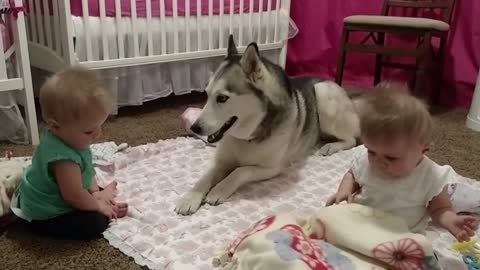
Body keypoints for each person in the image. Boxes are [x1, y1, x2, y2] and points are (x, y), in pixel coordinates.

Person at [326, 82, 478, 242]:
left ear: (423, 150)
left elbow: (440, 208)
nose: (378, 161)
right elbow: (352, 174)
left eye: (391, 157)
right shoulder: (366, 159)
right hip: (365, 223)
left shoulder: (429, 177)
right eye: (371, 151)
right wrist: (345, 190)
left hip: (403, 236)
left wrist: (450, 220)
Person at [10, 66, 128, 240]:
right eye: (89, 131)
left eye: (100, 126)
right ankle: (100, 203)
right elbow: (73, 195)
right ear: (55, 126)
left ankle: (99, 197)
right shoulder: (63, 159)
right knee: (96, 222)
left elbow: (86, 168)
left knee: (90, 193)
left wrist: (95, 193)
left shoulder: (69, 137)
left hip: (60, 192)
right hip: (45, 214)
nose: (97, 134)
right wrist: (98, 205)